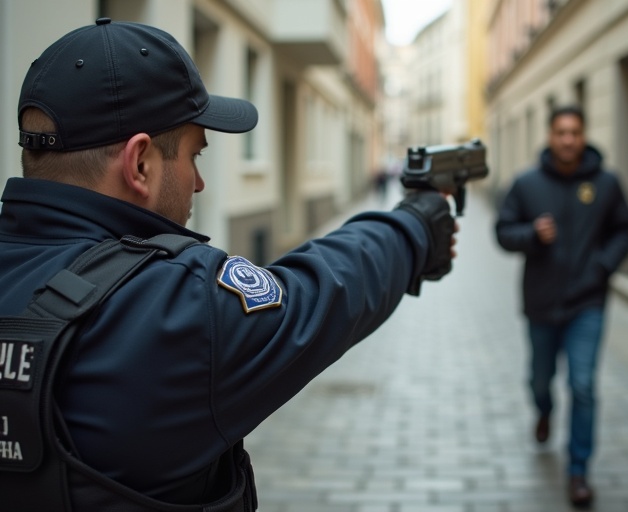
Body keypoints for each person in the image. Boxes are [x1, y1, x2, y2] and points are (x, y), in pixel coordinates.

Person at [0, 19, 457, 511]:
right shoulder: (175, 308)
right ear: (139, 164)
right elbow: (325, 293)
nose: (198, 182)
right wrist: (416, 225)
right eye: (194, 156)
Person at [494, 105, 628, 508]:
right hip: (540, 303)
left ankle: (578, 471)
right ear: (550, 136)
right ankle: (544, 410)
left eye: (575, 132)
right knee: (540, 380)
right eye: (561, 132)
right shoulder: (526, 183)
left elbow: (625, 228)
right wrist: (531, 235)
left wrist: (604, 265)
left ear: (584, 135)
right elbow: (502, 232)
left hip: (587, 302)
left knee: (583, 385)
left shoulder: (606, 183)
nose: (568, 140)